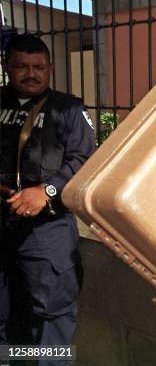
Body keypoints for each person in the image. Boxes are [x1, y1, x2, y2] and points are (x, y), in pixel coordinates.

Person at [0, 34, 95, 363]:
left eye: (38, 67)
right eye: (21, 66)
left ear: (50, 68)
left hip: (46, 230)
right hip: (3, 225)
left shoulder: (68, 109)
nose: (31, 74)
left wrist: (47, 190)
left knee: (51, 315)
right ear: (7, 67)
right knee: (5, 313)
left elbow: (84, 159)